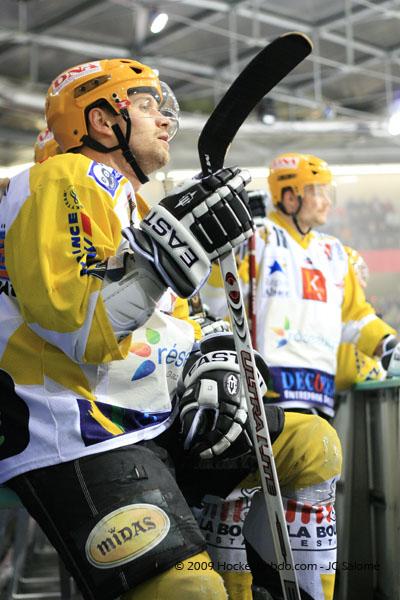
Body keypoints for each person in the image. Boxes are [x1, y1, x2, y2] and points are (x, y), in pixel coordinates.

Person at [0, 57, 257, 600]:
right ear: (101, 120)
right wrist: (169, 257)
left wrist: (214, 354)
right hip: (76, 434)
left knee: (311, 446)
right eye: (145, 105)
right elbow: (80, 328)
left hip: (144, 420)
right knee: (191, 592)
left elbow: (173, 322)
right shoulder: (60, 179)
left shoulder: (134, 203)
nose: (165, 120)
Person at [193, 152, 400, 600]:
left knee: (305, 516)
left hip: (317, 399)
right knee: (239, 507)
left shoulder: (336, 253)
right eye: (316, 191)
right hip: (261, 395)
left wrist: (387, 342)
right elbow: (215, 298)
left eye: (326, 191)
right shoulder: (256, 239)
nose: (326, 200)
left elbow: (356, 318)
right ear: (289, 196)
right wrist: (226, 248)